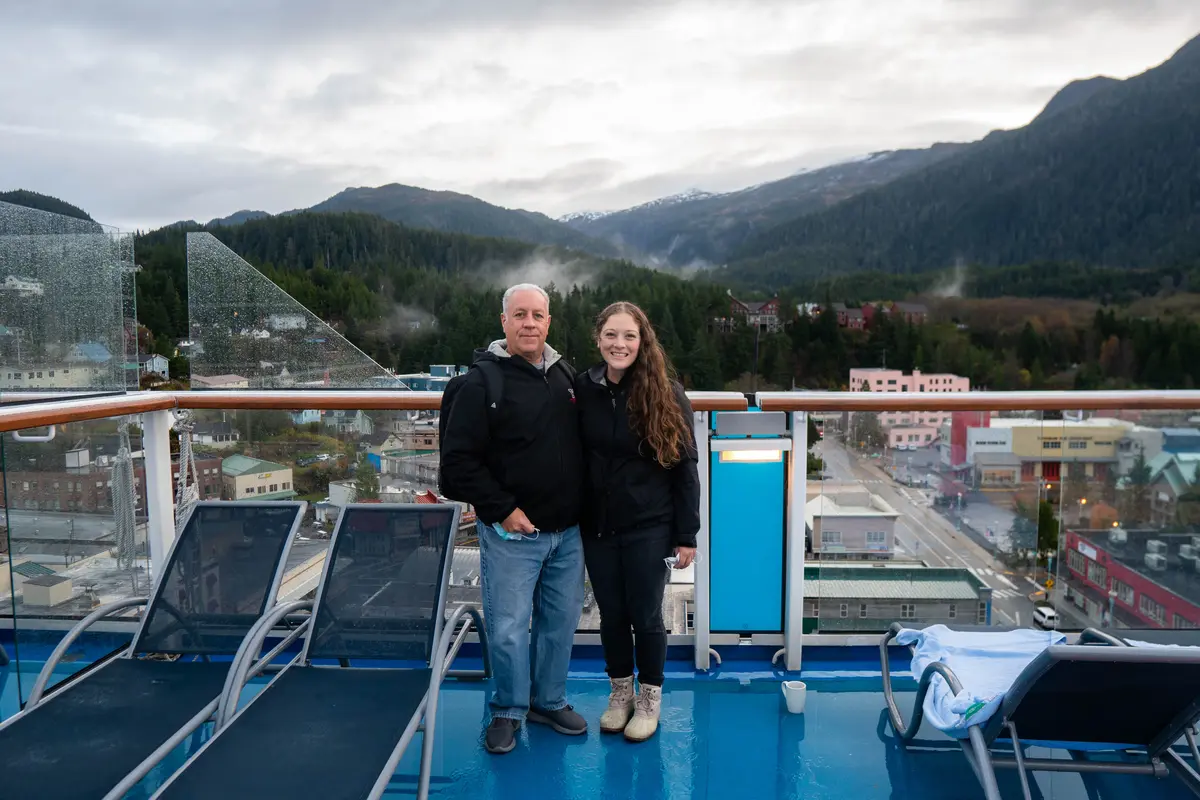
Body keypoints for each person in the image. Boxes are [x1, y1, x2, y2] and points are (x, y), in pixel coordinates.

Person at [439, 283, 588, 755]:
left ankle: (547, 701)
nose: (530, 323)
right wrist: (503, 508)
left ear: (549, 321)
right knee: (507, 626)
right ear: (503, 321)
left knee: (559, 623)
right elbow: (457, 467)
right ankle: (507, 710)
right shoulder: (481, 384)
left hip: (568, 533)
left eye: (538, 315)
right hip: (511, 533)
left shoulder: (565, 374)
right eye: (520, 314)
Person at [575, 301, 699, 742]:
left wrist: (687, 535)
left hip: (650, 526)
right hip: (598, 526)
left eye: (629, 335)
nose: (619, 344)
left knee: (646, 615)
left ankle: (649, 699)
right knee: (611, 615)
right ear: (598, 339)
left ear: (642, 340)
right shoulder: (584, 388)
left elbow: (685, 467)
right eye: (611, 334)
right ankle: (620, 694)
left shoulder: (666, 392)